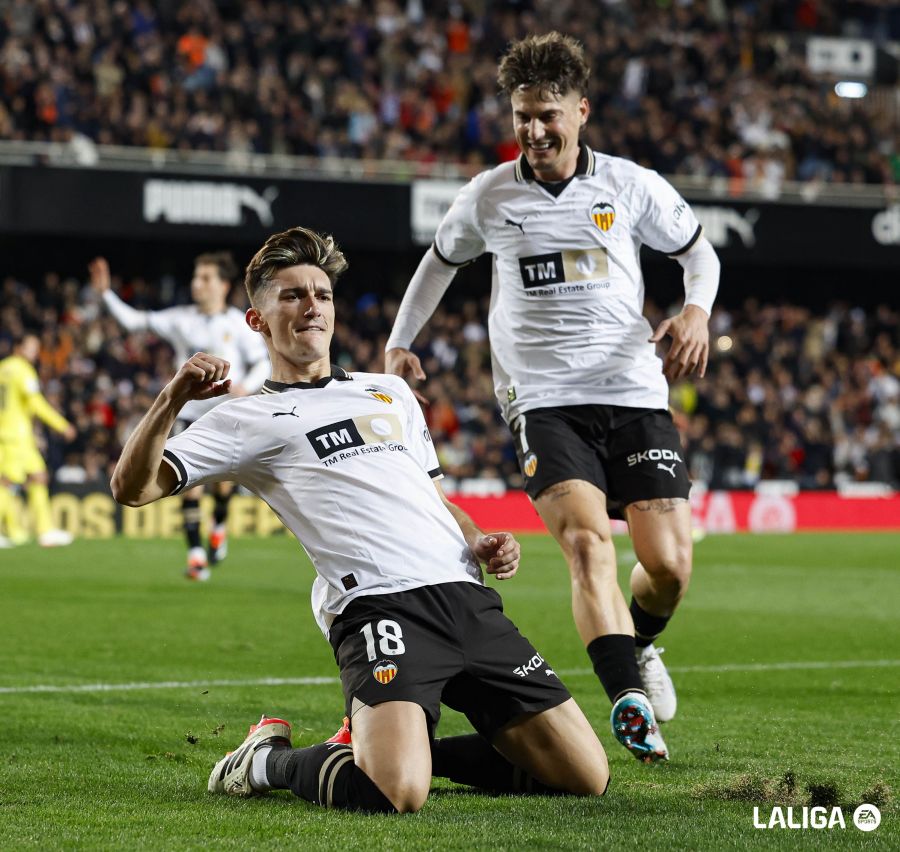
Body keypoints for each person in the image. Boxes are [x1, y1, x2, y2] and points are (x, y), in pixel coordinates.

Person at [110, 226, 609, 813]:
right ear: (257, 320)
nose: (311, 306)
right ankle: (265, 761)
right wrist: (173, 398)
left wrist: (478, 538)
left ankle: (414, 752)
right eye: (292, 295)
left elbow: (434, 498)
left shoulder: (389, 393)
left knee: (585, 776)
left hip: (465, 598)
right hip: (378, 606)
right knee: (396, 793)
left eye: (321, 294)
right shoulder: (245, 418)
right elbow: (132, 487)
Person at [385, 32, 721, 763]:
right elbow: (438, 264)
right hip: (543, 398)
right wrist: (398, 341)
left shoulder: (629, 186)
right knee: (585, 542)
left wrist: (695, 310)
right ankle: (627, 700)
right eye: (522, 116)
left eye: (549, 115)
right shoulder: (488, 195)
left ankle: (641, 644)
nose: (535, 131)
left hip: (632, 389)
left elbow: (699, 252)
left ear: (582, 112)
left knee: (669, 566)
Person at [90, 252, 269, 580]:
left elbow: (262, 362)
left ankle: (218, 526)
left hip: (227, 410)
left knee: (224, 487)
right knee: (190, 485)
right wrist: (105, 294)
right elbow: (134, 322)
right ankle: (196, 555)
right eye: (195, 276)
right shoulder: (181, 318)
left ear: (223, 285)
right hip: (189, 413)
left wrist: (247, 385)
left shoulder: (238, 323)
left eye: (205, 277)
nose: (196, 283)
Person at [0, 333, 77, 547]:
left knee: (38, 476)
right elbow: (35, 403)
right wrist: (62, 425)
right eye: (30, 348)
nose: (34, 353)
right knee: (7, 481)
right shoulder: (22, 370)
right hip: (17, 435)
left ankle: (45, 532)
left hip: (8, 432)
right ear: (18, 348)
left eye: (36, 348)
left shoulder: (2, 368)